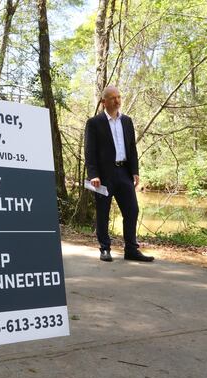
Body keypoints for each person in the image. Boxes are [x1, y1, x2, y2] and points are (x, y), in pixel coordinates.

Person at [84, 86, 154, 262]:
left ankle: (131, 249)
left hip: (124, 172)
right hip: (103, 176)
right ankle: (105, 249)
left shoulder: (127, 121)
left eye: (119, 97)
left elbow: (132, 148)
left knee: (132, 210)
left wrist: (135, 171)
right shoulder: (94, 123)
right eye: (113, 98)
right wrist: (93, 174)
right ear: (103, 102)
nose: (117, 100)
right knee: (103, 212)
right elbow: (90, 151)